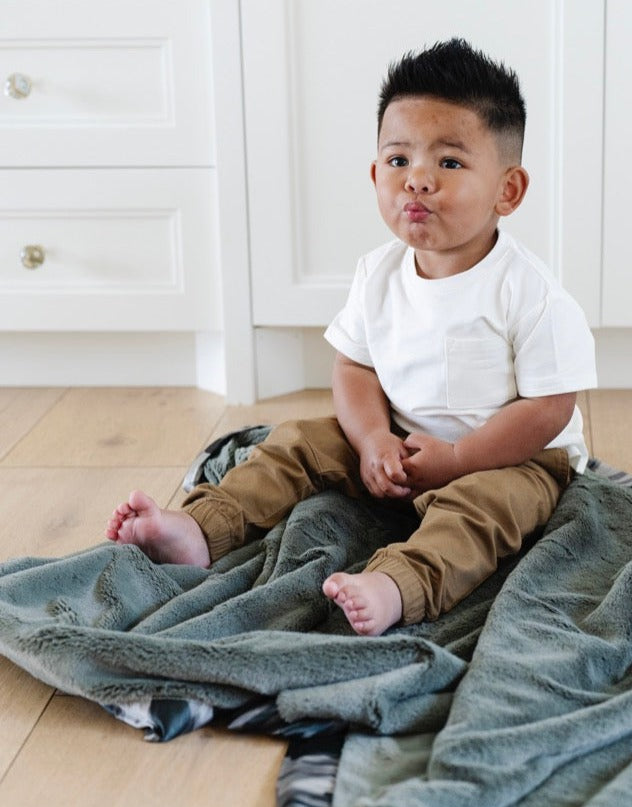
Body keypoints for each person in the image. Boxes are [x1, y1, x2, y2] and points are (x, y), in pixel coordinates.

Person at [106, 38, 597, 636]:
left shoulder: (529, 293)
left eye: (449, 163)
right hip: (399, 444)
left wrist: (460, 459)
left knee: (483, 511)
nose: (417, 181)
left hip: (509, 458)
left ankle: (399, 584)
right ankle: (201, 527)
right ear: (375, 174)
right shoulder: (377, 273)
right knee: (297, 443)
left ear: (507, 190)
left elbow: (549, 407)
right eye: (398, 161)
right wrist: (371, 441)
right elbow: (354, 368)